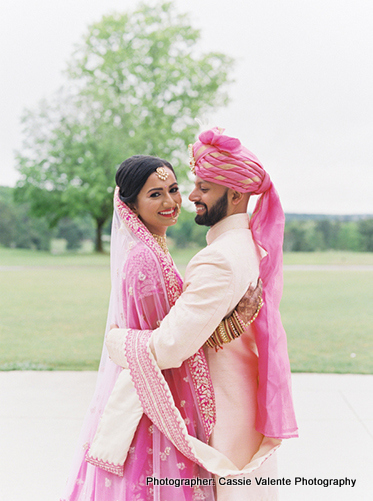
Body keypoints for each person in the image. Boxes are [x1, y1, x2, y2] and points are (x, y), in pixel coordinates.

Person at [103, 128, 298, 500]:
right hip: (241, 403)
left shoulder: (219, 260)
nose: (190, 197)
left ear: (236, 194)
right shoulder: (246, 244)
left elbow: (170, 346)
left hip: (225, 415)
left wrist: (115, 340)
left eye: (204, 188)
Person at [61, 154, 261, 501]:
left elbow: (175, 334)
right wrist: (230, 326)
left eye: (173, 189)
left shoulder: (154, 250)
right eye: (155, 194)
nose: (170, 202)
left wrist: (232, 322)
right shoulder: (144, 260)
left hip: (156, 391)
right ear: (132, 204)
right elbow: (165, 347)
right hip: (155, 404)